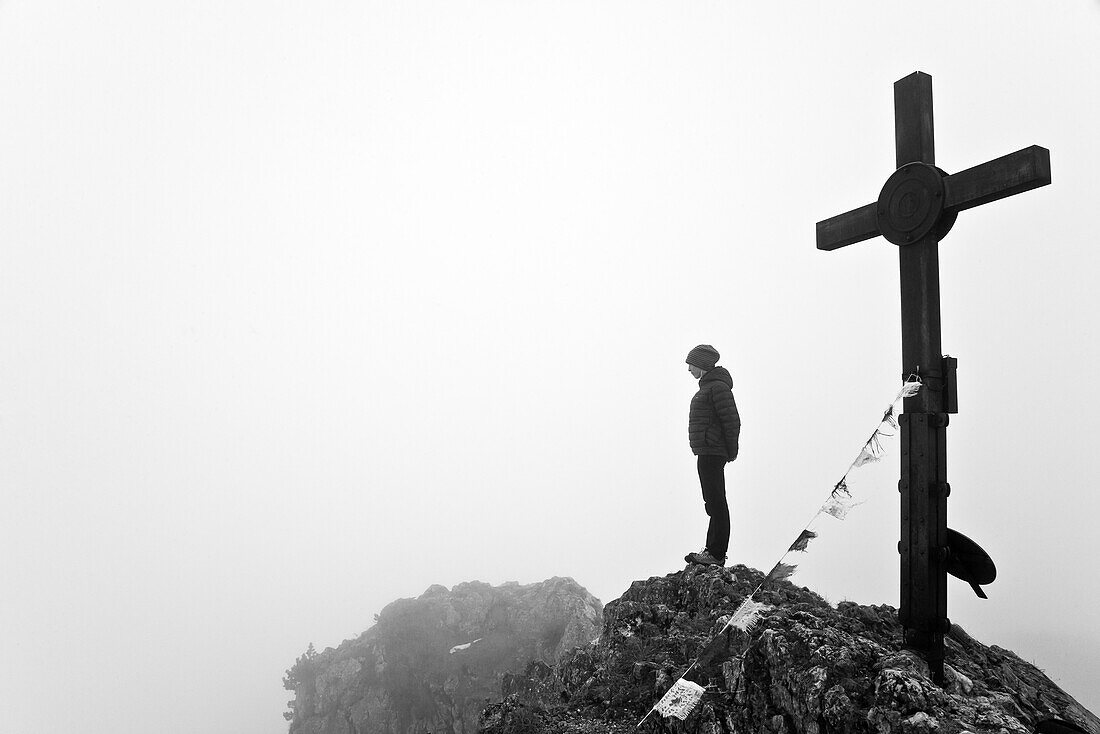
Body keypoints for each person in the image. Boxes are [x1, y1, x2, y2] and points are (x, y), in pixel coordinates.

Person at [683, 344, 740, 567]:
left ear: (702, 365)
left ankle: (716, 554)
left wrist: (729, 452)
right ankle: (711, 551)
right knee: (712, 502)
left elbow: (732, 421)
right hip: (707, 451)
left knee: (716, 502)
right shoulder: (709, 387)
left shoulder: (717, 388)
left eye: (691, 364)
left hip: (713, 452)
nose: (688, 369)